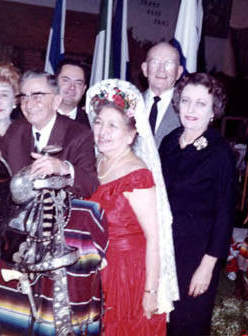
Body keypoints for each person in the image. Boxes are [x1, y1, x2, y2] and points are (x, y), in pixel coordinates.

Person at [86, 79, 179, 335]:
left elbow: (154, 238)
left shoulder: (138, 175)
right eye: (99, 122)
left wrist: (150, 291)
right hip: (95, 268)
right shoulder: (95, 163)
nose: (102, 131)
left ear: (131, 134)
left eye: (112, 125)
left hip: (128, 273)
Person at [159, 73, 236, 335]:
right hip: (164, 248)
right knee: (160, 320)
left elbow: (225, 214)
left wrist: (208, 265)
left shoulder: (220, 152)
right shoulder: (169, 141)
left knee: (188, 322)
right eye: (186, 101)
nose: (191, 109)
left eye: (201, 103)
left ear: (214, 110)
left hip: (197, 254)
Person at [0, 71, 98, 198]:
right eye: (24, 97)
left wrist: (64, 169)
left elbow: (92, 186)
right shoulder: (17, 129)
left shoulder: (79, 135)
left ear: (56, 101)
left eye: (37, 96)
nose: (28, 104)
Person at [141, 41, 184, 147]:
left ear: (178, 72)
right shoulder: (129, 103)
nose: (161, 70)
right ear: (145, 69)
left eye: (169, 63)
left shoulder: (187, 109)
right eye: (155, 62)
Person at [55, 58, 90, 126]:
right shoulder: (37, 115)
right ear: (55, 83)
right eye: (66, 80)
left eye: (78, 83)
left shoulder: (91, 124)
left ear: (84, 89)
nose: (72, 87)